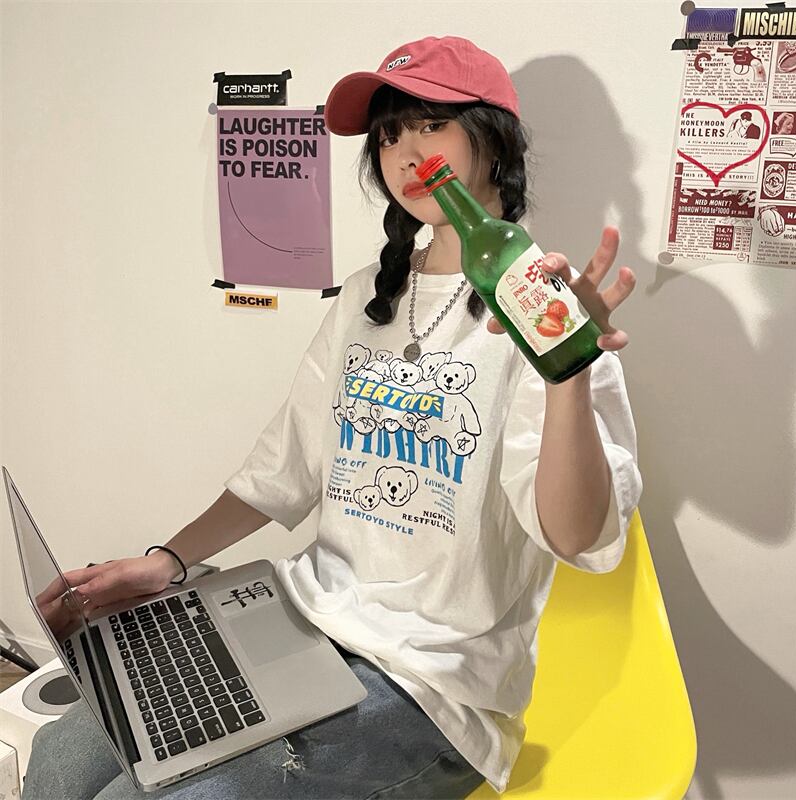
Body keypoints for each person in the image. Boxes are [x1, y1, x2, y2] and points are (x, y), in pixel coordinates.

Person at [22, 34, 642, 799]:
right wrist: (166, 562)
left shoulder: (543, 311)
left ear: (494, 140)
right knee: (59, 758)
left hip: (427, 688)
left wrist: (567, 373)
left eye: (431, 124)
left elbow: (578, 536)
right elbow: (283, 469)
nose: (407, 152)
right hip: (302, 619)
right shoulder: (364, 298)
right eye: (388, 134)